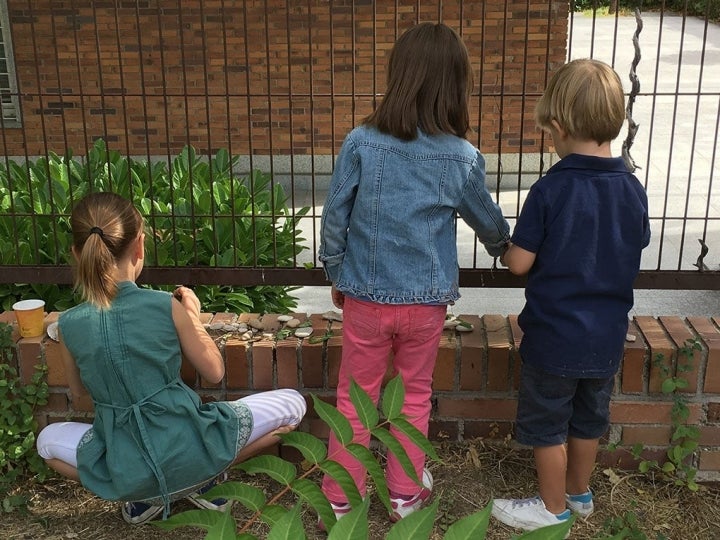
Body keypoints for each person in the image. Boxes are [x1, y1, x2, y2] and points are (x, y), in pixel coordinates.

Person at [318, 22, 510, 525]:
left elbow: (335, 213)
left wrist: (337, 272)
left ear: (397, 75)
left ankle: (339, 499)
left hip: (365, 299)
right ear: (456, 86)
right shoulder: (462, 158)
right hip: (425, 305)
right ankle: (405, 494)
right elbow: (484, 217)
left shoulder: (361, 142)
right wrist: (503, 245)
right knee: (414, 397)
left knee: (354, 400)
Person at [36, 192, 307, 525]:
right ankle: (208, 478)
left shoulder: (69, 324)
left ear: (78, 254)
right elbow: (215, 371)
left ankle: (138, 497)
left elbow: (79, 396)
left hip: (126, 466)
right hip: (195, 448)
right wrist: (191, 314)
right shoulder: (166, 305)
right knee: (294, 405)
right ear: (140, 246)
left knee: (46, 442)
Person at [492, 58, 651, 533]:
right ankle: (580, 493)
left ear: (558, 127)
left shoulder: (550, 189)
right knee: (587, 420)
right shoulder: (633, 189)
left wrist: (505, 249)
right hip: (606, 335)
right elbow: (634, 244)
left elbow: (520, 262)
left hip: (555, 335)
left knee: (546, 424)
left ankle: (551, 507)